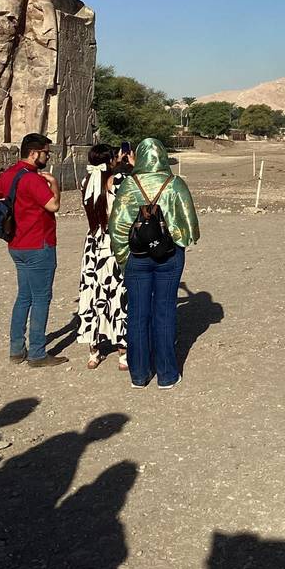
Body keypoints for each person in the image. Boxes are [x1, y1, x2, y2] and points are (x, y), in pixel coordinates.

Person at [108, 138, 200, 389]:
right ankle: (167, 374)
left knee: (137, 314)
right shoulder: (175, 184)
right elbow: (191, 227)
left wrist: (124, 258)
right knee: (165, 311)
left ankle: (139, 375)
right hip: (169, 256)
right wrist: (177, 239)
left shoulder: (128, 185)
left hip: (136, 258)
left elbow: (115, 226)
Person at [0, 133, 68, 367]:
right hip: (38, 244)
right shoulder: (33, 179)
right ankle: (38, 353)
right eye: (46, 153)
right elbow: (54, 205)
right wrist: (54, 184)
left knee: (24, 296)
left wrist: (10, 203)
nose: (47, 157)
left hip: (17, 245)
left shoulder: (10, 174)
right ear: (34, 153)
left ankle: (16, 349)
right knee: (41, 298)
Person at [77, 144, 129, 370]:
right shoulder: (115, 182)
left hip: (92, 242)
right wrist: (129, 167)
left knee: (93, 293)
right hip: (111, 243)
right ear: (111, 160)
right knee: (117, 294)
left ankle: (94, 351)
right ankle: (123, 353)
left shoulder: (86, 182)